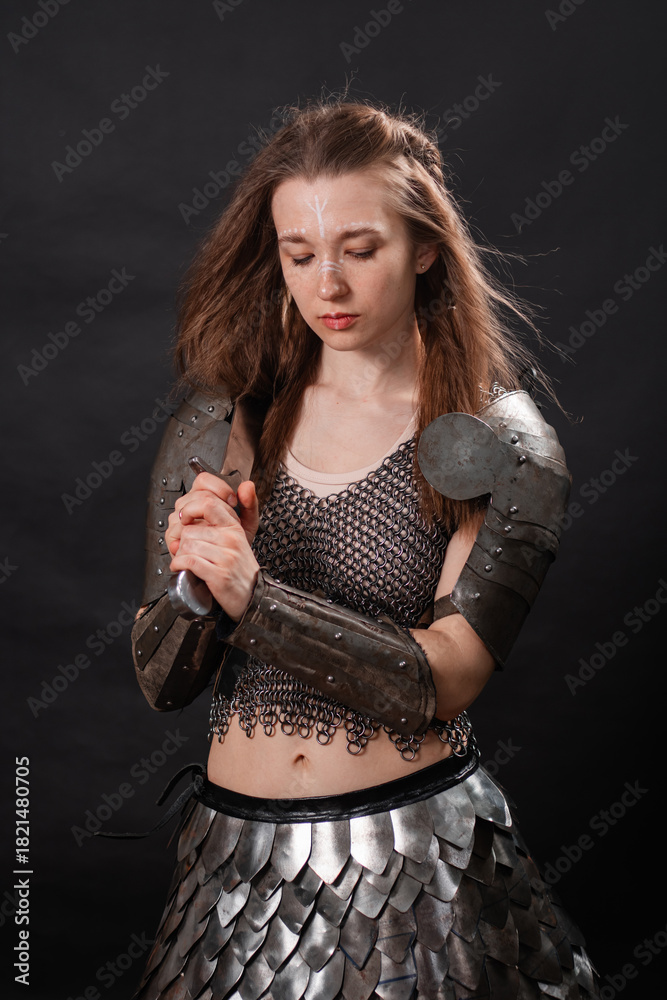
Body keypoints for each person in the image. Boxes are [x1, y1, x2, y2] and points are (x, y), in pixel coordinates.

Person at [129, 100, 600, 999]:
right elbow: (163, 680)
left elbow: (446, 680)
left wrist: (252, 596)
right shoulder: (227, 417)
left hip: (410, 868)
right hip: (232, 880)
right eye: (299, 255)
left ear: (424, 245)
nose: (327, 286)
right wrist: (199, 587)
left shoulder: (497, 440)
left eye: (360, 248)